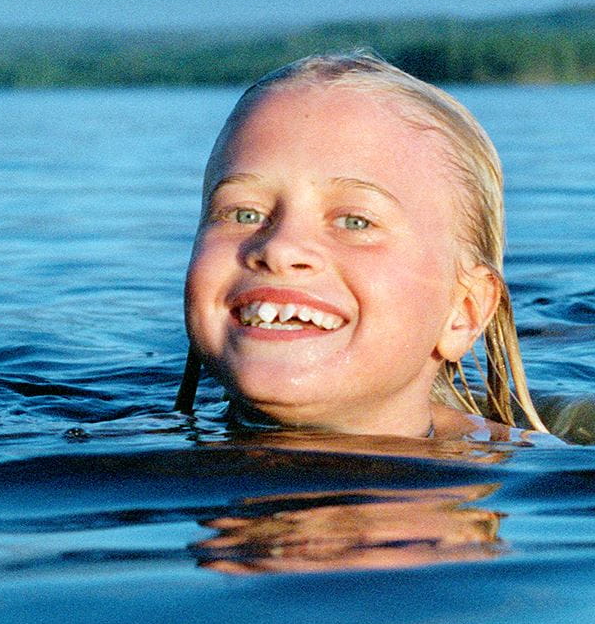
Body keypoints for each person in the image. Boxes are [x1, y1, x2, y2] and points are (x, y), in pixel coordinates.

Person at [177, 51, 547, 439]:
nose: (281, 248)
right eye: (244, 214)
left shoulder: (551, 485)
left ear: (463, 313)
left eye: (355, 222)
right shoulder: (120, 466)